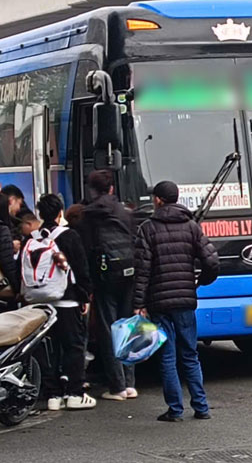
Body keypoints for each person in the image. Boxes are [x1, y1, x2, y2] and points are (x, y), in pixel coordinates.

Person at [134, 180, 219, 422]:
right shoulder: (192, 226)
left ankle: (175, 409)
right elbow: (212, 262)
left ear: (158, 200)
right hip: (185, 299)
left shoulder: (148, 228)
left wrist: (138, 304)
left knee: (168, 357)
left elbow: (143, 271)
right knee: (190, 354)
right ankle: (201, 407)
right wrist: (199, 282)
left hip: (159, 303)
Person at [76, 170, 138, 401]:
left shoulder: (87, 215)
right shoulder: (126, 212)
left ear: (91, 190)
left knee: (107, 329)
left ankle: (117, 386)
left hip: (104, 277)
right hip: (129, 272)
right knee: (128, 327)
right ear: (112, 189)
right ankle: (130, 383)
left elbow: (85, 249)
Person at [35, 193, 96, 411]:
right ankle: (75, 392)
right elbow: (81, 268)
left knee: (51, 349)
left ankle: (53, 395)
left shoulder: (34, 237)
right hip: (67, 300)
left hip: (40, 303)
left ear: (40, 213)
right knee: (74, 347)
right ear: (60, 212)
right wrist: (84, 295)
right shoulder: (69, 236)